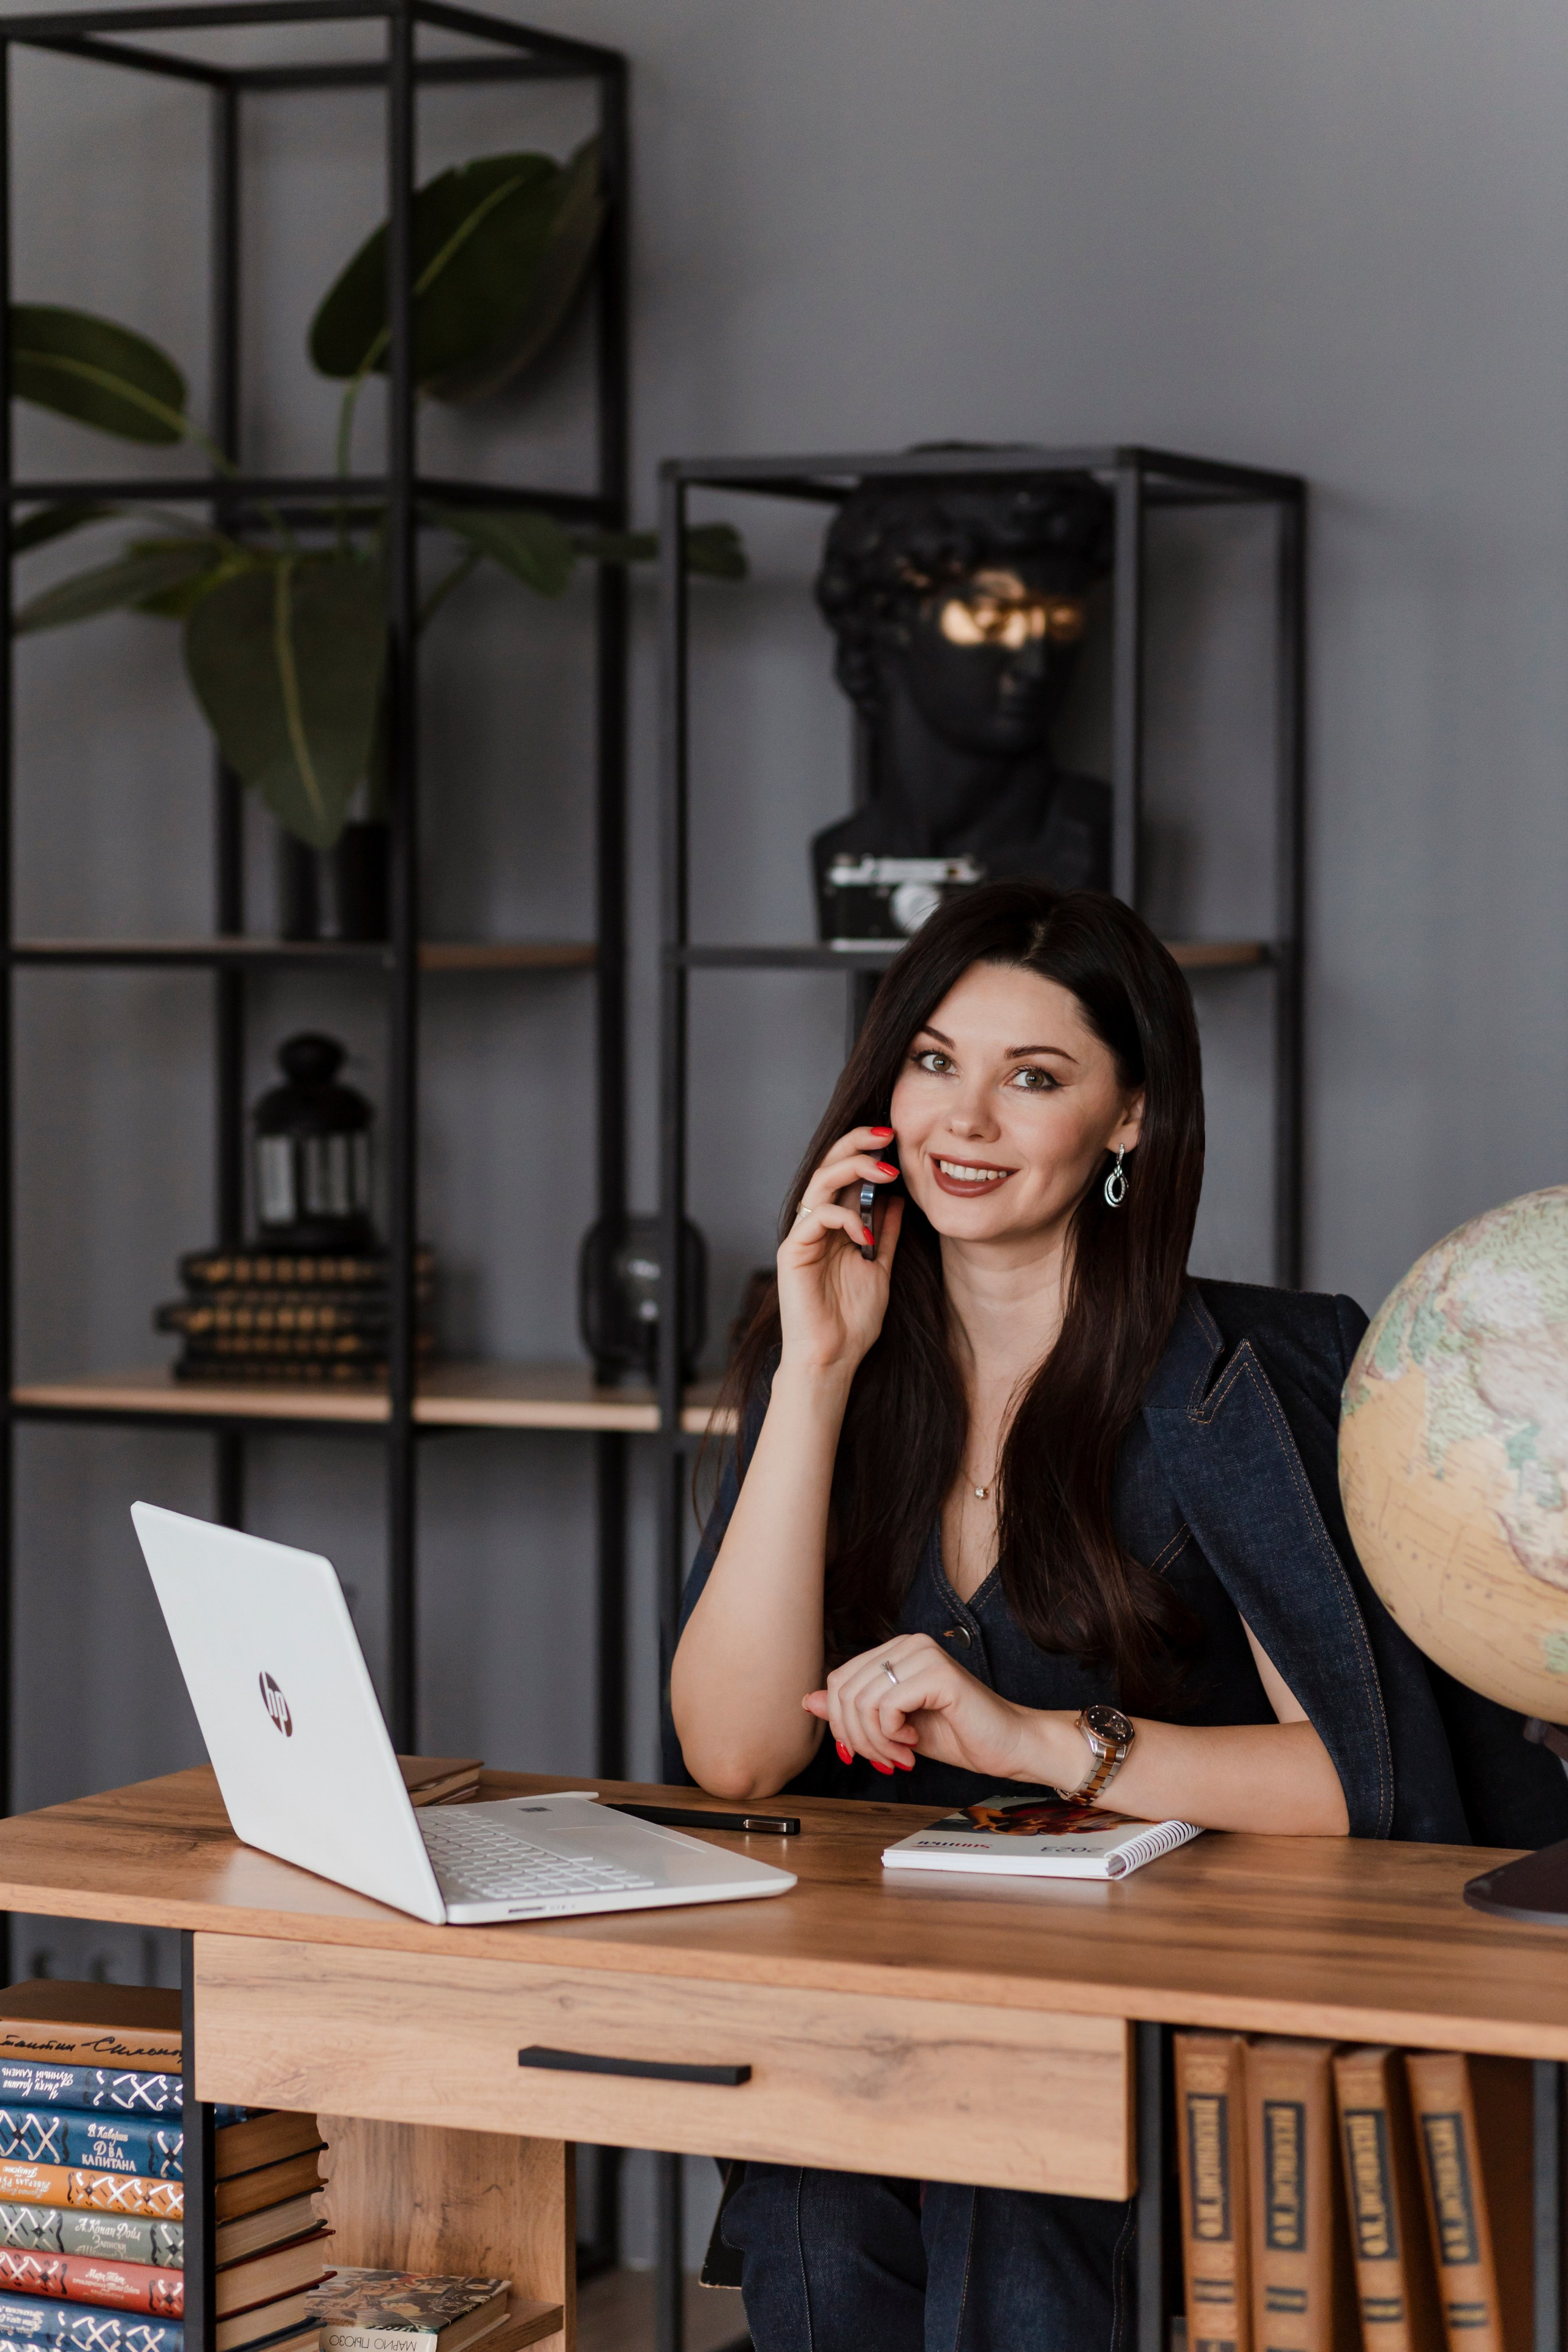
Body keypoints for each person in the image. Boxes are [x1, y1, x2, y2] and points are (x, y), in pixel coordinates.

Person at [666, 881, 1568, 2352]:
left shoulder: (1236, 1381)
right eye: (934, 1062)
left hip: (1175, 2008)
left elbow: (1357, 1780)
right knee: (817, 2181)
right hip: (904, 1994)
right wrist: (818, 1368)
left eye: (1033, 1078)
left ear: (1129, 1120)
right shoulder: (842, 1363)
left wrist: (1034, 1741)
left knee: (1006, 2161)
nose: (965, 1120)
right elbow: (733, 1753)